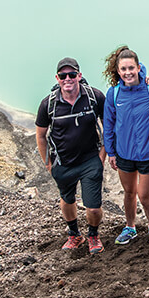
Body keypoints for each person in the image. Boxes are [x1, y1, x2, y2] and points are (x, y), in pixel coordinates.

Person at [35, 58, 106, 255]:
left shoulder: (94, 97)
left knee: (93, 208)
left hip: (90, 160)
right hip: (63, 162)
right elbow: (40, 135)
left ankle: (93, 234)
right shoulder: (48, 104)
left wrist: (102, 156)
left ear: (79, 76)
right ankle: (74, 234)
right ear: (57, 78)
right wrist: (48, 163)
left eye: (72, 75)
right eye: (63, 76)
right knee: (67, 200)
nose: (68, 79)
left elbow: (108, 125)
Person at [103, 46, 149, 245]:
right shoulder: (113, 94)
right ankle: (130, 227)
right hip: (124, 154)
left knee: (144, 195)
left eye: (131, 68)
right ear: (118, 71)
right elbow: (108, 124)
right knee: (129, 193)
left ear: (139, 67)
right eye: (123, 69)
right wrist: (111, 152)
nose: (128, 72)